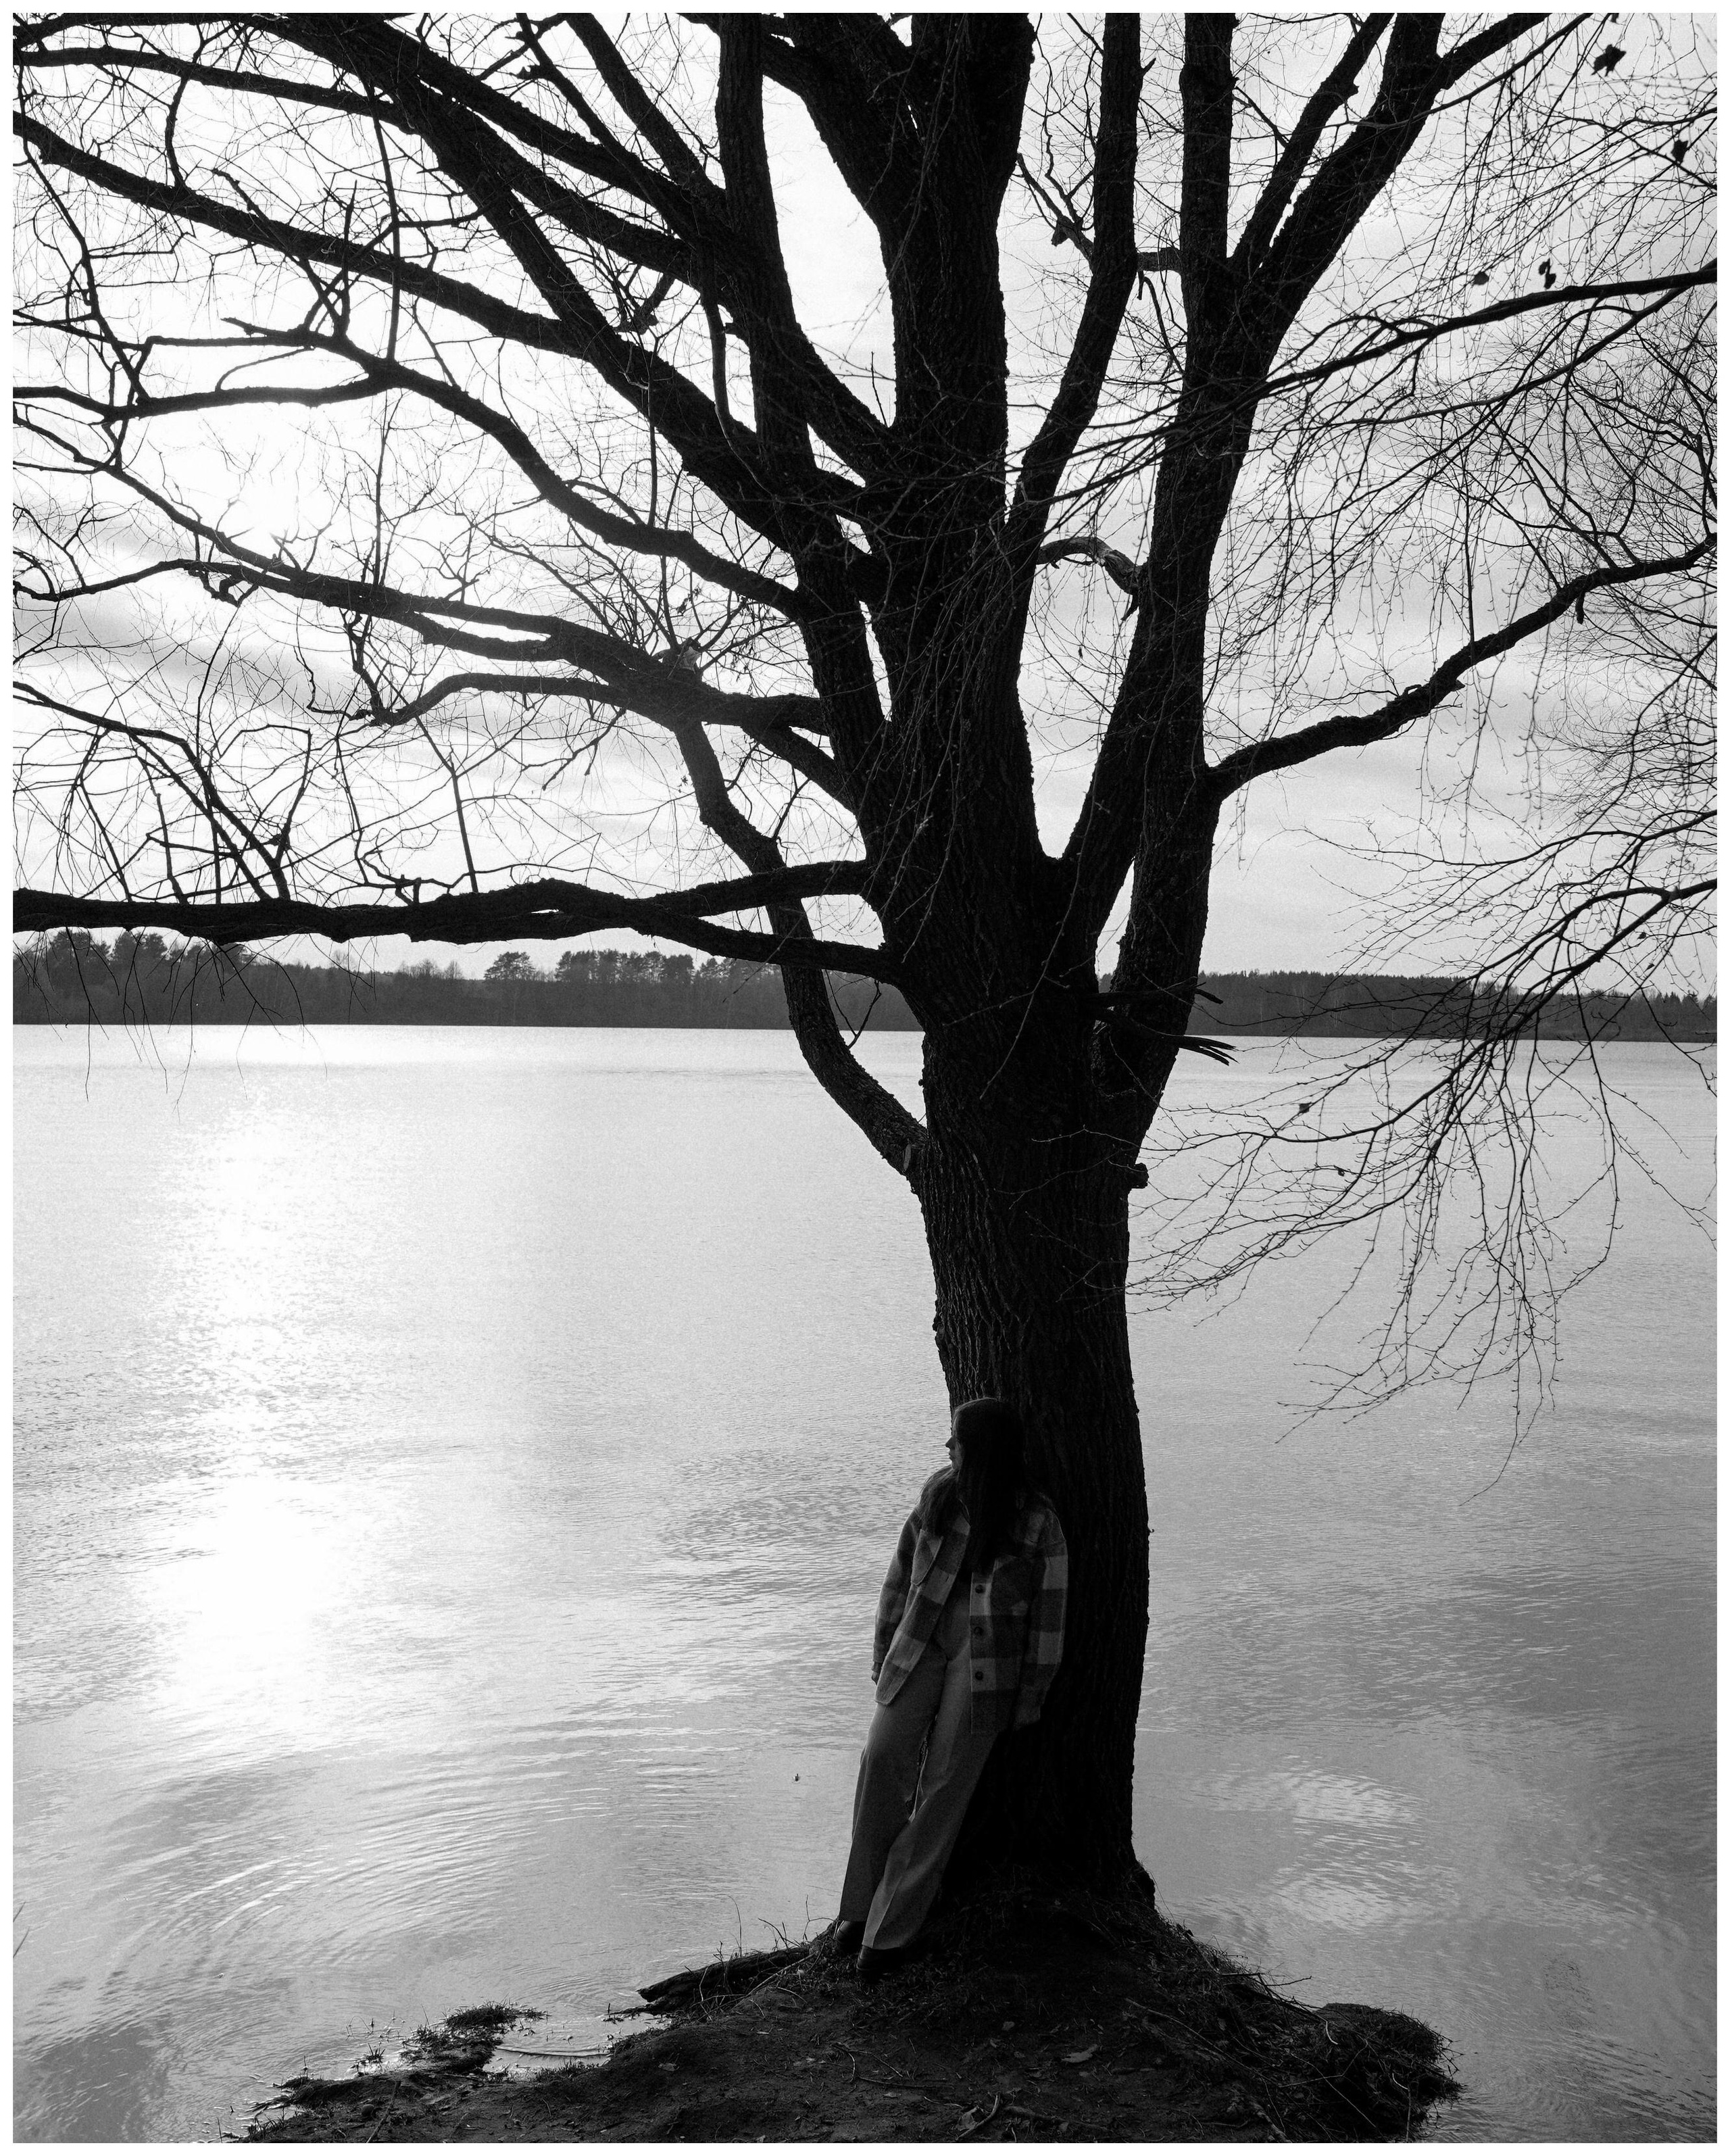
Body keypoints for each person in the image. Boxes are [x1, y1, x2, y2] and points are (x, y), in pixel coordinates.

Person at [834, 1396, 1068, 1978]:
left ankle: (888, 1935)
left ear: (983, 1450)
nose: (947, 1449)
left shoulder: (1037, 1521)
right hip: (921, 1645)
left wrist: (1032, 1696)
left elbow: (1049, 1618)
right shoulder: (940, 1493)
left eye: (956, 1441)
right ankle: (858, 1910)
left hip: (987, 1665)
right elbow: (899, 1576)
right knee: (882, 1757)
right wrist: (883, 1653)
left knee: (944, 1790)